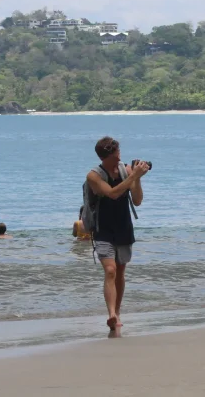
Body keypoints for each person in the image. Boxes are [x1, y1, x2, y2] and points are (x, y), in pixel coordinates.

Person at [86, 136, 150, 330]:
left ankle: (118, 312)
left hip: (124, 226)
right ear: (106, 157)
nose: (119, 157)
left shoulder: (126, 171)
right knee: (110, 270)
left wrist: (136, 179)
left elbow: (137, 201)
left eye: (119, 153)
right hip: (102, 229)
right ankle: (111, 313)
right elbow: (113, 193)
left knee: (120, 271)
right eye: (116, 154)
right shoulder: (94, 176)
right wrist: (133, 176)